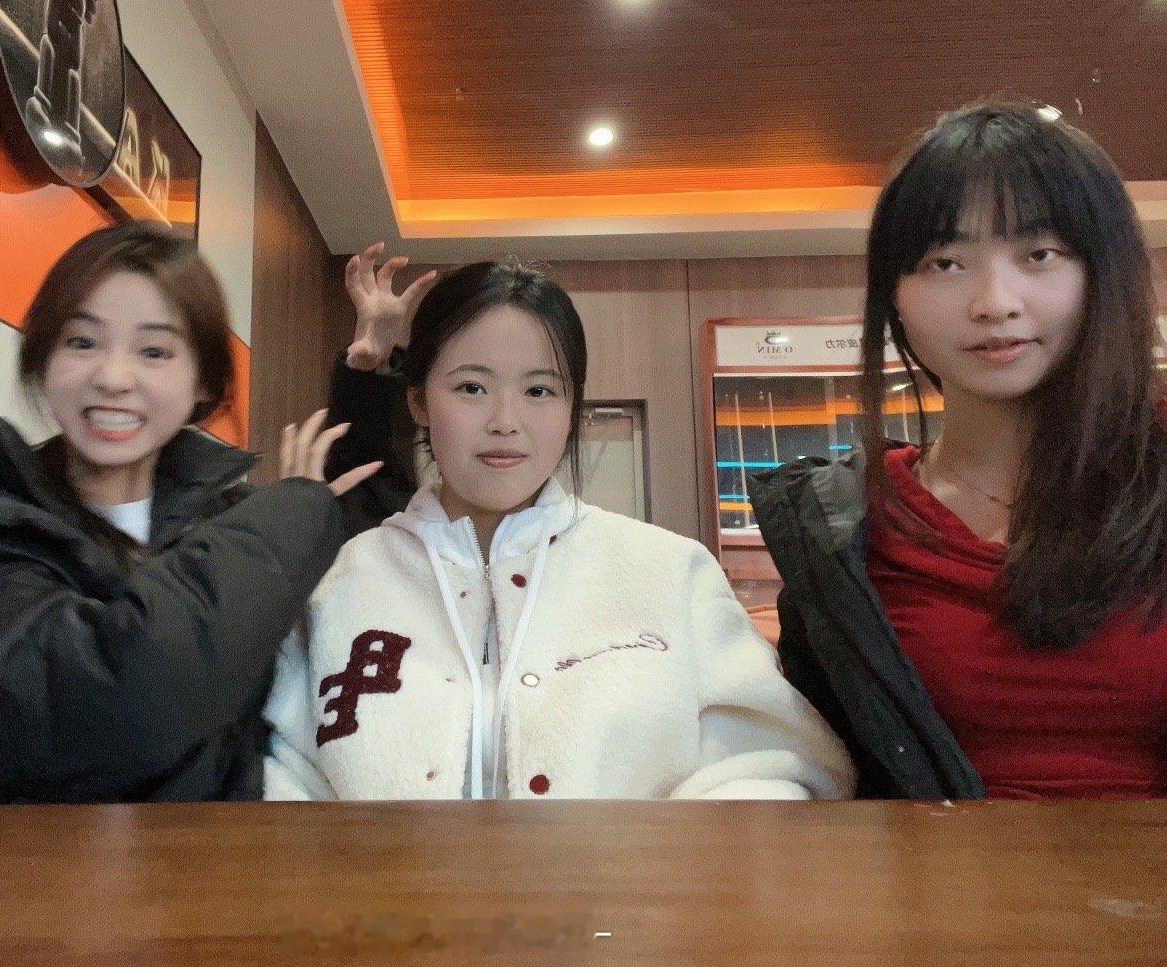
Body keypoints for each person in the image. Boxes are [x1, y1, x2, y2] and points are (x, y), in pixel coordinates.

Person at [0, 221, 384, 804]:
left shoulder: (218, 519)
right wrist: (293, 510)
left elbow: (368, 540)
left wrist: (369, 376)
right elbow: (119, 700)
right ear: (43, 359)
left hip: (205, 857)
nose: (112, 378)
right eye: (82, 342)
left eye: (154, 351)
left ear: (202, 384)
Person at [263, 260, 854, 800]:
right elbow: (283, 776)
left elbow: (777, 765)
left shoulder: (671, 571)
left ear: (573, 408)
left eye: (539, 390)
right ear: (418, 401)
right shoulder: (343, 577)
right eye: (471, 388)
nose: (505, 421)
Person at [748, 101, 1167, 799]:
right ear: (894, 296)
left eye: (1039, 254)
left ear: (1105, 271)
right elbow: (818, 773)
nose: (994, 302)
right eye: (946, 262)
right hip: (925, 874)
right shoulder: (846, 530)